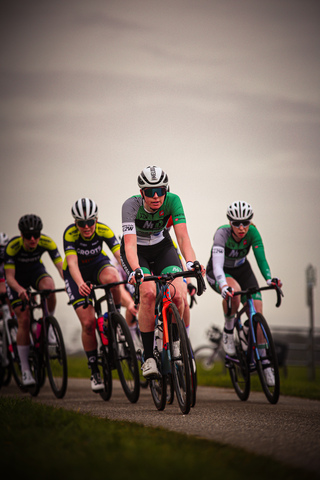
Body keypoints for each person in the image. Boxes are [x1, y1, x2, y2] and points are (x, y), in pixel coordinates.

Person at [121, 165, 205, 379]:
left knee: (178, 294)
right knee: (148, 293)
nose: (156, 196)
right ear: (142, 193)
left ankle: (177, 343)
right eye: (150, 191)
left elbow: (183, 238)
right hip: (137, 251)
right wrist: (137, 270)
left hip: (162, 247)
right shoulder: (130, 206)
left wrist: (191, 262)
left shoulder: (173, 201)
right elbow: (129, 246)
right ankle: (148, 357)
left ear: (166, 190)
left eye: (160, 190)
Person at [206, 200, 282, 386]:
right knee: (236, 293)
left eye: (245, 223)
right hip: (220, 272)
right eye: (236, 223)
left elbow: (260, 258)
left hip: (243, 269)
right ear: (230, 222)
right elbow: (216, 265)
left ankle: (264, 363)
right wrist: (223, 286)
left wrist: (269, 279)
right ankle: (229, 330)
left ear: (250, 222)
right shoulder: (221, 234)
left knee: (257, 311)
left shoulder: (253, 233)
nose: (241, 227)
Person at [63, 198, 123, 393]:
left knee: (114, 277)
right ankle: (94, 369)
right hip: (76, 274)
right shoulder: (70, 234)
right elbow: (72, 263)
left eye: (90, 222)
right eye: (82, 223)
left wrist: (132, 274)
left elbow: (119, 256)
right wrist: (80, 284)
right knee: (88, 324)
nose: (87, 227)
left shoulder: (104, 230)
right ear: (76, 223)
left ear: (96, 220)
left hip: (98, 265)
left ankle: (116, 316)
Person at [4, 215, 64, 386]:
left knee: (50, 286)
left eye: (36, 235)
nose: (33, 239)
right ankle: (25, 370)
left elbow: (61, 268)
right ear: (21, 235)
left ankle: (48, 322)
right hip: (17, 280)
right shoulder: (12, 247)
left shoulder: (47, 242)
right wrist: (20, 290)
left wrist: (71, 283)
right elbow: (9, 277)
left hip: (36, 272)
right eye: (28, 236)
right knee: (24, 319)